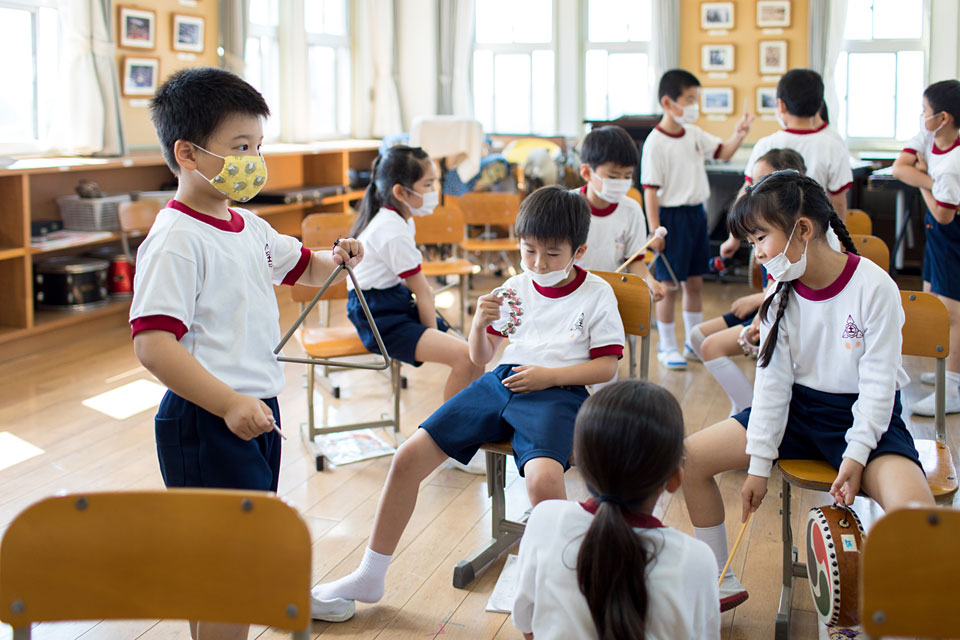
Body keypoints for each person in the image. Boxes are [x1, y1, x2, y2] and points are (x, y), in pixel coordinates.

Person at [309, 186, 624, 622]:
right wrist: (478, 325)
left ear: (579, 251)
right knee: (407, 457)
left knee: (543, 480)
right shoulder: (515, 287)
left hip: (558, 391)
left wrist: (549, 376)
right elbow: (480, 357)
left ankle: (567, 584)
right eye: (528, 250)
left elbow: (607, 367)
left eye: (552, 254)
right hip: (501, 381)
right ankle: (369, 575)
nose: (537, 263)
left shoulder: (596, 293)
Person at [129, 67, 363, 640]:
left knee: (233, 553)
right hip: (206, 416)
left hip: (254, 409)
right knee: (226, 567)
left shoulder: (248, 227)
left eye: (258, 147)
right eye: (239, 147)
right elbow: (153, 345)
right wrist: (228, 403)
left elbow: (308, 269)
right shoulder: (176, 240)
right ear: (187, 153)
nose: (254, 161)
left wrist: (340, 259)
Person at [682, 172, 935, 612]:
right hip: (796, 414)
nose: (758, 252)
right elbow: (773, 386)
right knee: (688, 459)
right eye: (752, 242)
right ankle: (718, 581)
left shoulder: (875, 286)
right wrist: (759, 464)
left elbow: (878, 388)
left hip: (865, 420)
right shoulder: (780, 293)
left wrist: (856, 456)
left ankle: (904, 616)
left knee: (920, 520)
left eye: (762, 238)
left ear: (803, 228)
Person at [512, 380, 720, 640]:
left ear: (580, 464)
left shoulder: (544, 520)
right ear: (675, 478)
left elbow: (527, 624)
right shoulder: (696, 560)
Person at [347, 145, 484, 401]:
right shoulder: (391, 230)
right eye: (428, 185)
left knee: (475, 357)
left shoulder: (400, 219)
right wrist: (434, 336)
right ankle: (449, 425)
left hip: (392, 301)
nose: (435, 191)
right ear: (400, 192)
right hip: (377, 315)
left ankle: (469, 418)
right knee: (466, 358)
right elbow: (423, 292)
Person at [641, 69, 754, 370]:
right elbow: (650, 190)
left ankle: (693, 342)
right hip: (670, 219)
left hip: (696, 216)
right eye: (689, 99)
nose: (695, 105)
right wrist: (655, 231)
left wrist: (740, 133)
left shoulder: (693, 133)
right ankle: (667, 346)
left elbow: (723, 152)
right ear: (668, 102)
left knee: (694, 283)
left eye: (696, 99)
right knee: (669, 286)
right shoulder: (655, 142)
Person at [687, 149, 807, 416]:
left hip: (779, 309)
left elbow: (794, 287)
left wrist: (759, 302)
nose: (751, 189)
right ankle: (742, 404)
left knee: (710, 346)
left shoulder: (790, 234)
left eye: (760, 182)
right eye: (751, 182)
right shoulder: (766, 227)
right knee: (697, 336)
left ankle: (749, 412)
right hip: (768, 303)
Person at [719, 68, 854, 260]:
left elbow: (747, 193)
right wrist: (839, 244)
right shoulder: (834, 144)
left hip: (772, 244)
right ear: (820, 105)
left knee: (775, 281)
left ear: (781, 105)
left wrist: (733, 238)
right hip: (818, 242)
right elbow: (838, 202)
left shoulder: (766, 144)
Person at [892, 79, 960, 415]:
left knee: (951, 312)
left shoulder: (953, 162)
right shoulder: (930, 138)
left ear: (943, 118)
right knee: (934, 297)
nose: (922, 116)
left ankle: (952, 387)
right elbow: (899, 168)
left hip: (951, 233)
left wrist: (923, 182)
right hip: (938, 230)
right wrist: (932, 182)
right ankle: (947, 372)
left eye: (925, 111)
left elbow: (944, 214)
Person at [575, 125, 664, 300]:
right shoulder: (566, 207)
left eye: (627, 176)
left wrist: (649, 281)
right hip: (572, 293)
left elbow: (634, 261)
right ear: (586, 172)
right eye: (613, 176)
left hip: (611, 295)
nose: (621, 182)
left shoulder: (632, 211)